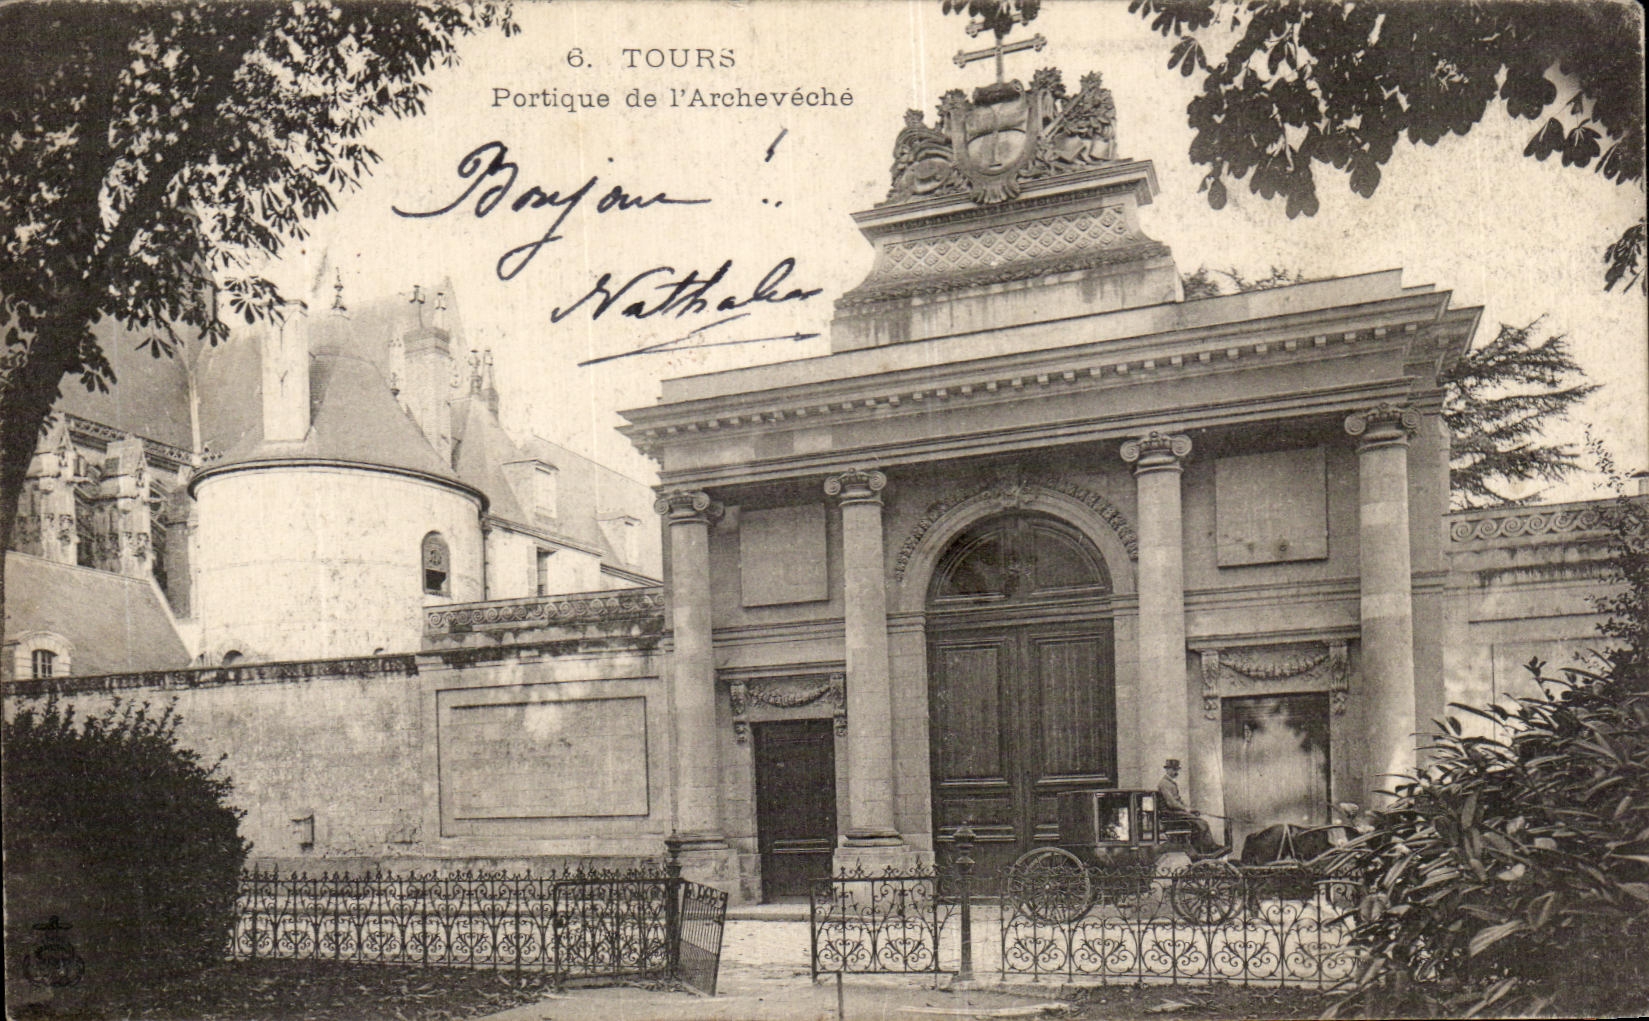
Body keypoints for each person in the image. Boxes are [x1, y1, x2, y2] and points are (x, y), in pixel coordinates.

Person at [1157, 758, 1221, 855]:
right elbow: (1171, 803)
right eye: (1173, 770)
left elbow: (1178, 800)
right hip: (1171, 813)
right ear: (1167, 770)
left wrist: (1189, 809)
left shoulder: (1170, 783)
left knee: (1198, 822)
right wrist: (1186, 810)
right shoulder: (1164, 784)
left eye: (1177, 770)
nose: (1175, 772)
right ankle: (1207, 848)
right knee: (1202, 823)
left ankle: (1201, 847)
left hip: (1176, 812)